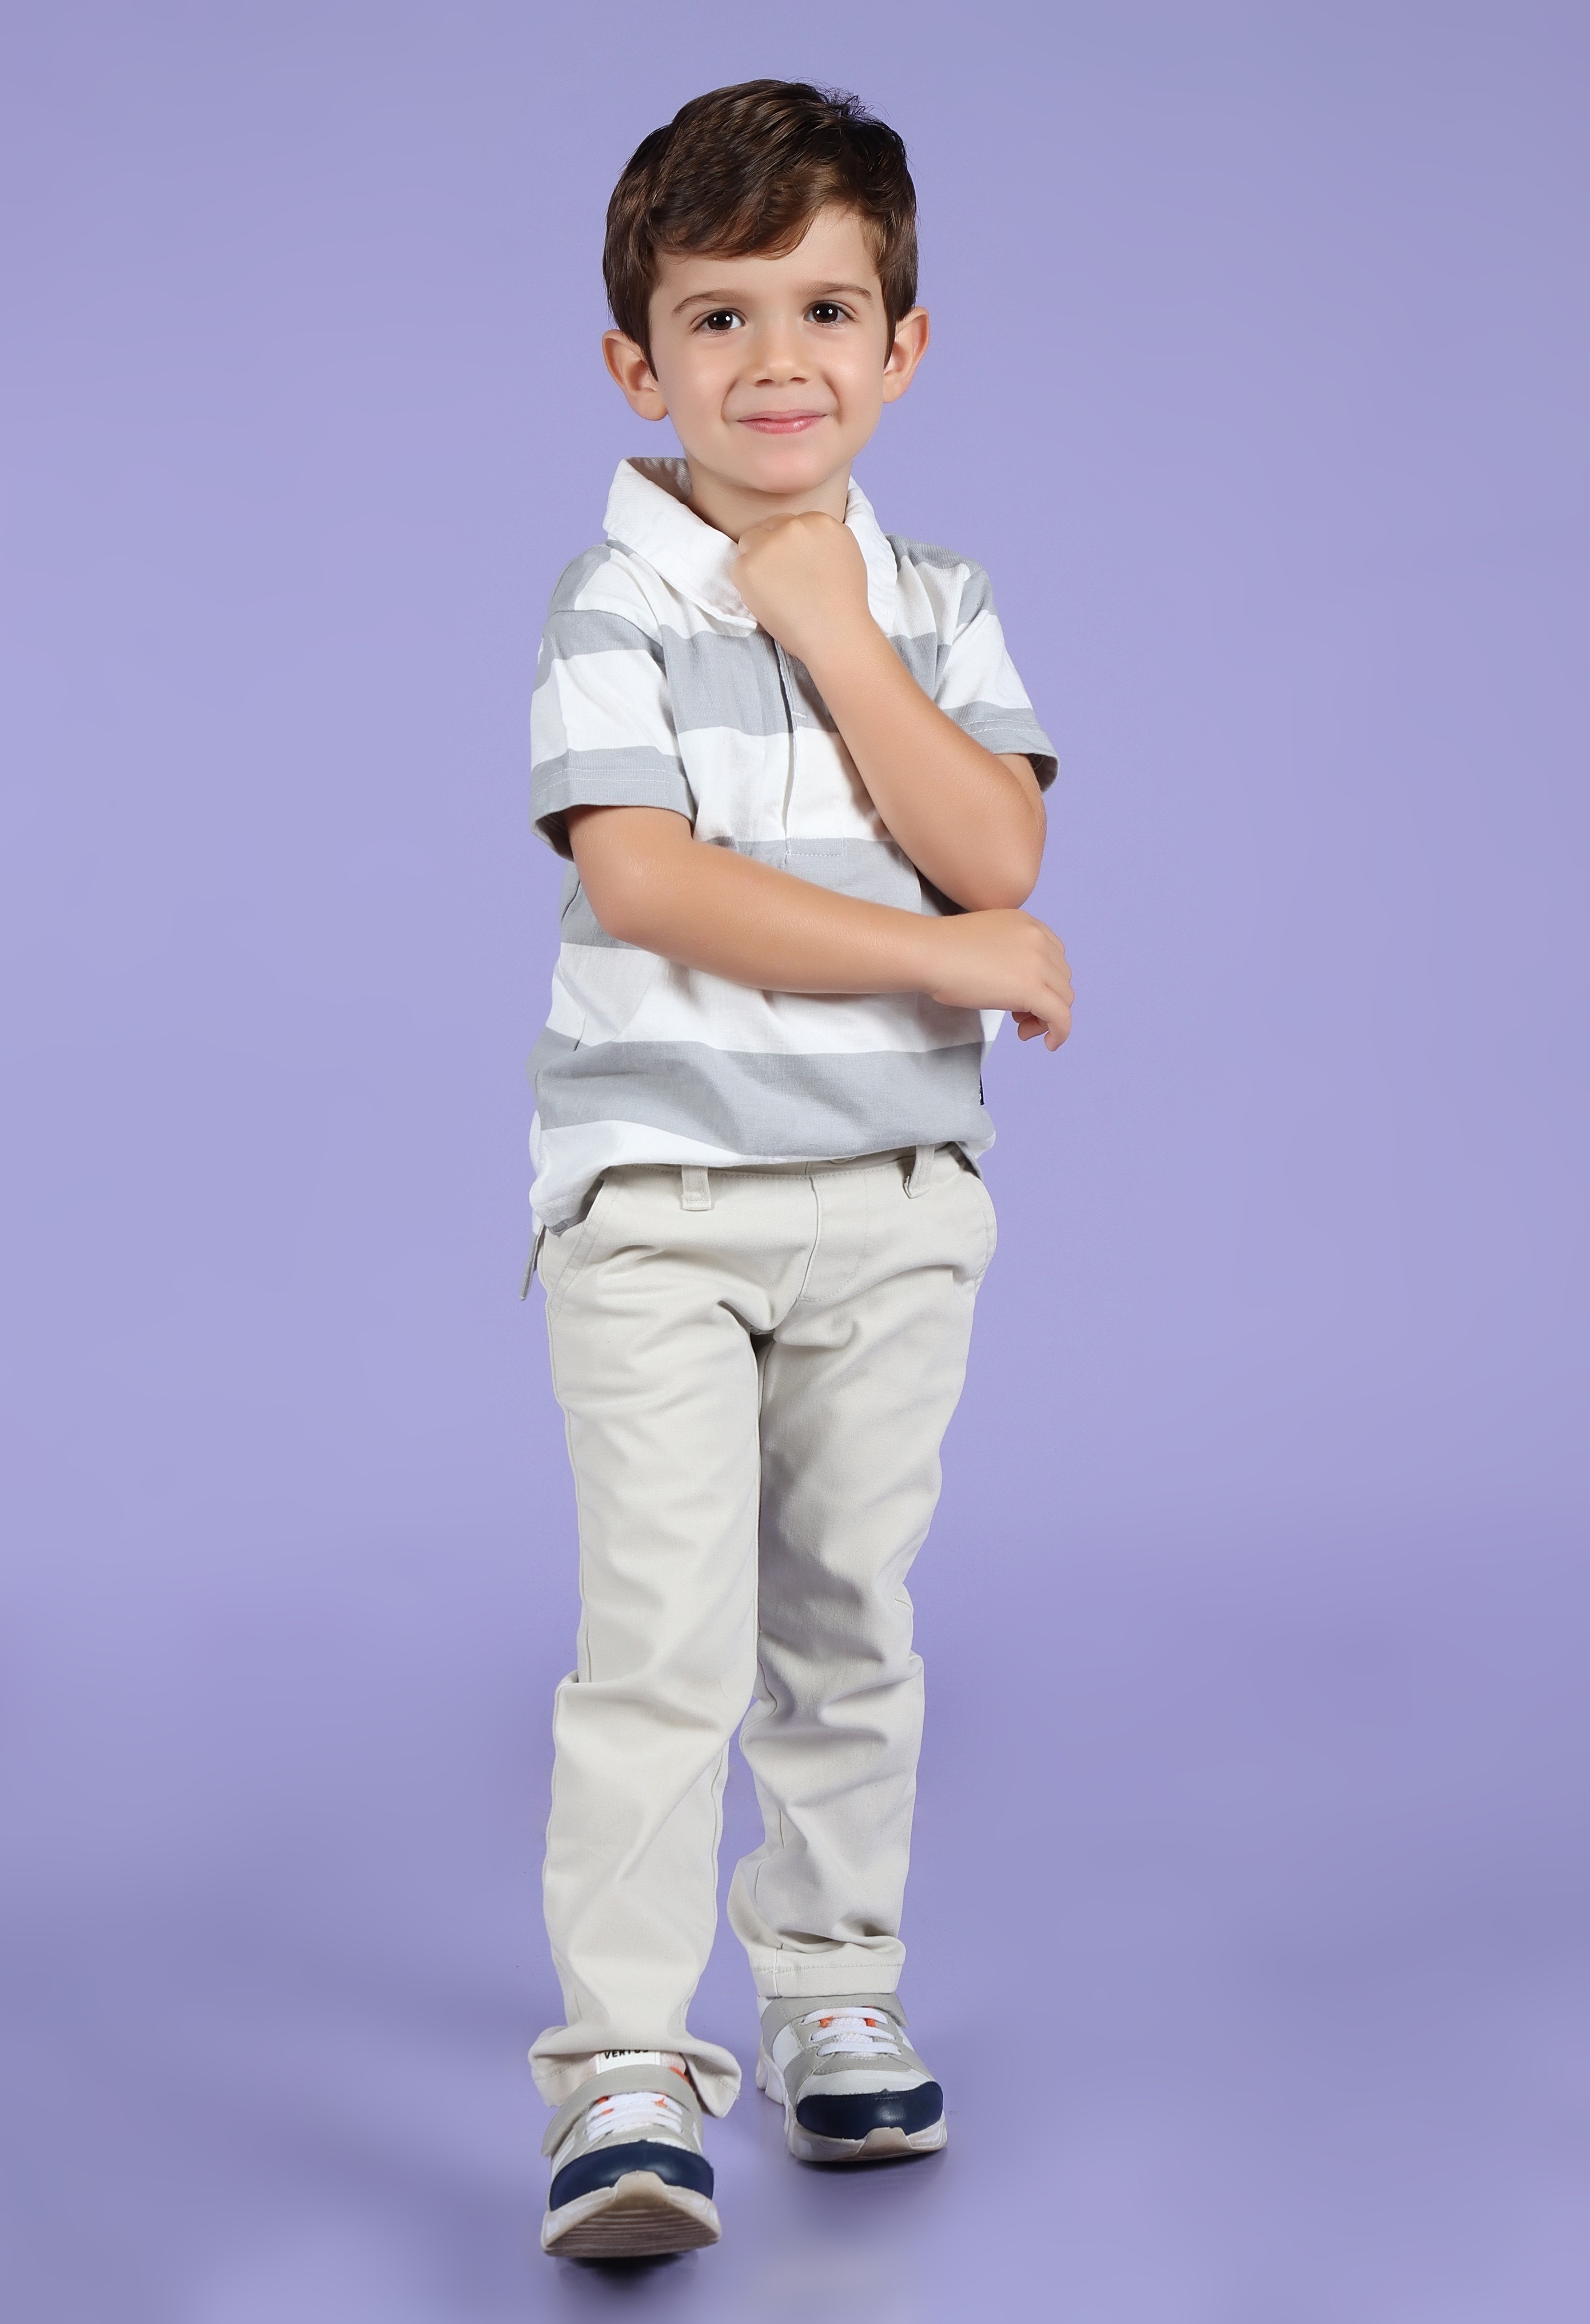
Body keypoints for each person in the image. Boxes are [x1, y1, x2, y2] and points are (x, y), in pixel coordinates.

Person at [522, 79, 1073, 2260]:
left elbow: (997, 844)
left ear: (900, 346)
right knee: (663, 1641)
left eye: (825, 309)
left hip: (894, 1202)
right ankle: (623, 2071)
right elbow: (648, 883)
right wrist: (948, 959)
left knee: (847, 1622)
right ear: (634, 362)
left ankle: (835, 1993)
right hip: (660, 1206)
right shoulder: (612, 599)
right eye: (717, 314)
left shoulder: (938, 598)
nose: (776, 359)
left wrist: (834, 623)